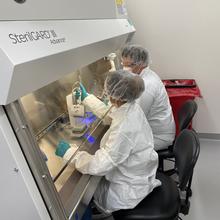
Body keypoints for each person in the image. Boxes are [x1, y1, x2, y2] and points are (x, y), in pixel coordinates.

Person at [56, 70, 160, 214]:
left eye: (107, 91)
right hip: (138, 172)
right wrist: (87, 98)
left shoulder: (125, 127)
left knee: (86, 198)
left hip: (128, 191)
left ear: (115, 97)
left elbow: (100, 165)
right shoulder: (130, 106)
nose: (106, 93)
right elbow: (110, 114)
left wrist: (70, 153)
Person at [121, 45, 176, 151]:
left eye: (129, 65)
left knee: (123, 150)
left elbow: (135, 119)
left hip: (158, 138)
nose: (125, 68)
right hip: (155, 130)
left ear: (140, 64)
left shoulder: (147, 86)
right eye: (123, 64)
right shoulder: (145, 75)